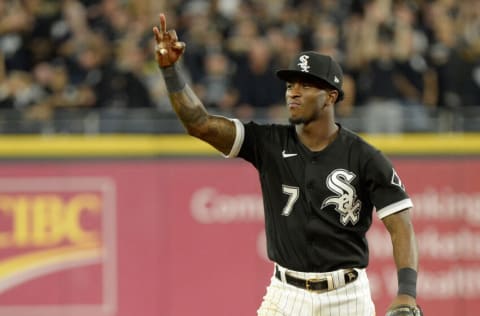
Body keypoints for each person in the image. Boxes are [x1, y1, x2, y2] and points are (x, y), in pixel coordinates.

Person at [153, 13, 422, 316]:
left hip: (347, 297)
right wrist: (170, 70)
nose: (293, 92)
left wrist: (406, 293)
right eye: (290, 84)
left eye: (306, 85)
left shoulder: (364, 156)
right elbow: (199, 123)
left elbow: (400, 225)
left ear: (330, 96)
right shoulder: (268, 142)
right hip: (285, 294)